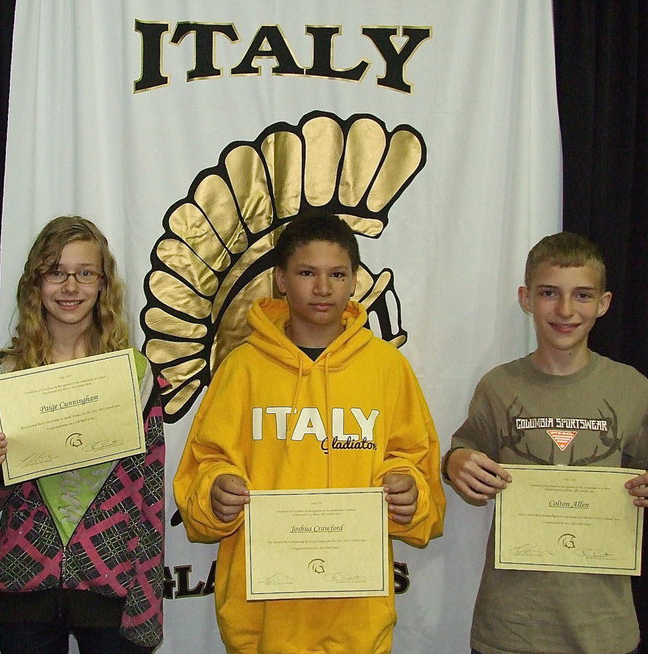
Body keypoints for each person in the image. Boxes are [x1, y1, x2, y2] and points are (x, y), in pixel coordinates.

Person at [173, 211, 445, 654]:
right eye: (306, 273)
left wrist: (408, 491)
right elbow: (203, 471)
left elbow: (419, 479)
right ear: (281, 279)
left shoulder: (387, 368)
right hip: (262, 620)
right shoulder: (242, 368)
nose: (323, 288)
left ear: (355, 280)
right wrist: (215, 493)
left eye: (337, 274)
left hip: (358, 620)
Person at [443, 231, 648, 654]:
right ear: (526, 299)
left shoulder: (630, 387)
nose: (565, 310)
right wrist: (454, 462)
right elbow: (460, 462)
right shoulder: (498, 386)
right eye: (549, 293)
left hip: (603, 631)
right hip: (510, 630)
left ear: (604, 303)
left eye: (582, 295)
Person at [0, 216, 166, 653]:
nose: (70, 286)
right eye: (55, 272)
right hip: (27, 592)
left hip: (112, 589)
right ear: (36, 283)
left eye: (85, 273)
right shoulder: (5, 377)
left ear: (103, 284)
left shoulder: (137, 377)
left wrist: (148, 602)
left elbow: (149, 495)